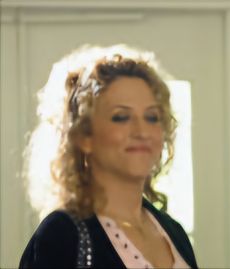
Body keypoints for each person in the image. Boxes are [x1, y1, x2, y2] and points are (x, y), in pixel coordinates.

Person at [19, 44, 198, 269]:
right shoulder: (61, 236)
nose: (142, 131)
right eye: (121, 117)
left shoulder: (173, 232)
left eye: (152, 117)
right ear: (84, 135)